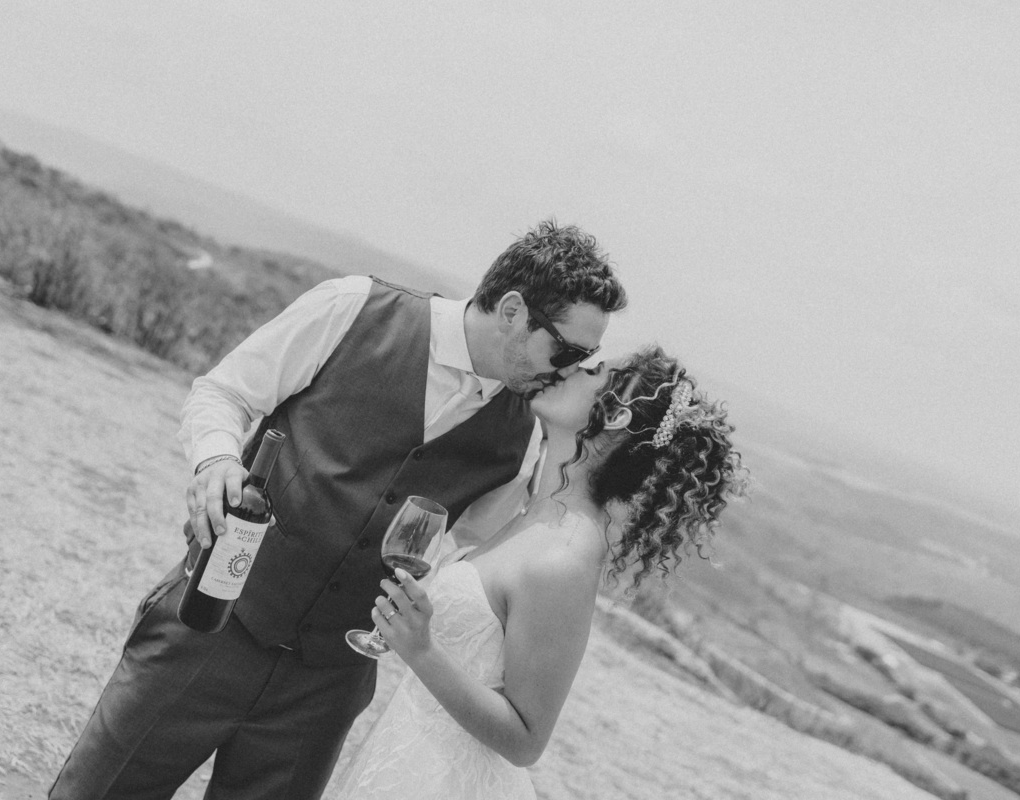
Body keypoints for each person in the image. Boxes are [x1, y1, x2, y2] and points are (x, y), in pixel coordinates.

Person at [49, 220, 627, 800]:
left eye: (587, 356)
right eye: (568, 350)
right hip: (207, 625)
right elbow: (224, 392)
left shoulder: (524, 440)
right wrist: (216, 461)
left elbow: (472, 558)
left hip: (326, 689)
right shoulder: (352, 308)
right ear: (512, 310)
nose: (570, 368)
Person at [327, 345, 747, 799]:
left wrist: (423, 650)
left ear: (616, 416)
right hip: (407, 760)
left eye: (593, 370)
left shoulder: (564, 558)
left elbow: (526, 739)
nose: (569, 368)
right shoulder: (537, 515)